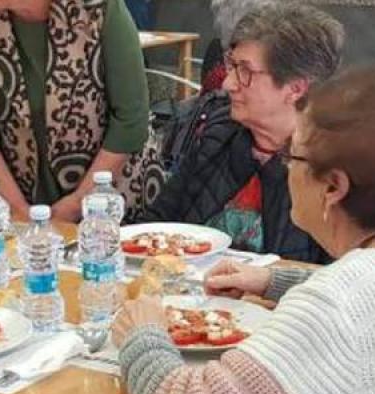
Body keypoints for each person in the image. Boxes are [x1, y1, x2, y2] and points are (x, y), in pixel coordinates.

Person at [112, 66, 375, 394]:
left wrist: (143, 333)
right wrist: (277, 280)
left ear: (333, 187)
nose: (284, 167)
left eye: (294, 154)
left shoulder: (337, 304)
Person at [143, 3, 341, 264]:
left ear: (295, 89)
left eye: (245, 71)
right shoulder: (218, 133)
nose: (227, 83)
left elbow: (340, 281)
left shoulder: (334, 169)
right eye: (232, 66)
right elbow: (156, 225)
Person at [0, 0, 164, 222]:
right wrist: (18, 209)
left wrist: (78, 202)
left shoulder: (97, 7)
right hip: (17, 197)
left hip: (113, 196)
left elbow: (130, 118)